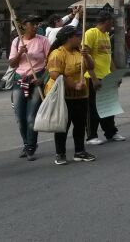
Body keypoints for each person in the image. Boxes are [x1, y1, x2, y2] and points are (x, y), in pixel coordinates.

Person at [45, 26, 96, 165]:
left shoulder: (81, 51)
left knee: (80, 125)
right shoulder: (57, 53)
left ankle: (80, 151)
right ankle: (60, 153)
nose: (80, 38)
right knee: (63, 126)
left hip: (81, 95)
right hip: (64, 96)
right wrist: (73, 85)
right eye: (77, 36)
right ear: (69, 38)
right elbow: (55, 74)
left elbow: (91, 67)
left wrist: (86, 56)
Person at [8, 16, 50, 160]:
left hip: (36, 78)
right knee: (20, 117)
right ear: (24, 26)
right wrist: (20, 52)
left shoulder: (43, 40)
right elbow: (13, 64)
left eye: (37, 24)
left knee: (31, 117)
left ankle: (31, 146)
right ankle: (26, 144)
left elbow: (50, 62)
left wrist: (42, 78)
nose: (35, 26)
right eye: (32, 24)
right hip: (20, 80)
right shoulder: (17, 41)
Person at [84, 12, 125, 145]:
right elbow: (85, 57)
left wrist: (115, 75)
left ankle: (111, 132)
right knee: (93, 109)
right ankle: (91, 136)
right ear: (106, 21)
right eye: (111, 22)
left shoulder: (106, 35)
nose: (112, 25)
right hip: (93, 77)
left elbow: (109, 57)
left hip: (107, 77)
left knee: (109, 107)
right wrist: (94, 78)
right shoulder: (91, 33)